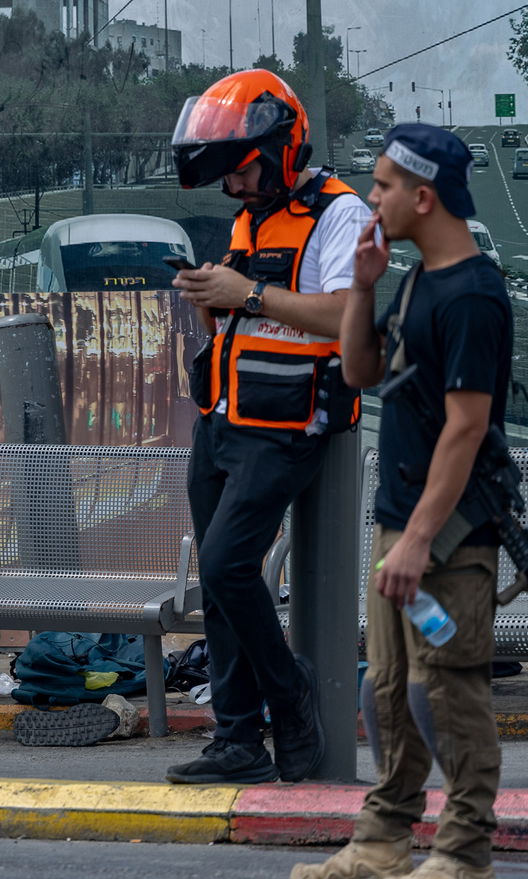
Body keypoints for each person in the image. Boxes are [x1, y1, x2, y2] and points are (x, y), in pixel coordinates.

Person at [289, 124, 513, 879]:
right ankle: (383, 839)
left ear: (424, 197)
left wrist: (418, 538)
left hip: (448, 538)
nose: (372, 197)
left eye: (383, 185)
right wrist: (362, 285)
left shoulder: (475, 294)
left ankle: (466, 857)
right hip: (402, 525)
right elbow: (359, 372)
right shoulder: (416, 281)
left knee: (444, 689)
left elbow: (467, 426)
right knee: (385, 688)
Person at [164, 69, 371, 785]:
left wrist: (246, 291)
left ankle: (291, 694)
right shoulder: (250, 217)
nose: (233, 186)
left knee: (225, 564)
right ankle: (238, 738)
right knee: (222, 587)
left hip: (286, 426)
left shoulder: (338, 214)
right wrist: (208, 298)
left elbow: (349, 317)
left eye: (242, 169)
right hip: (221, 419)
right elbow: (245, 320)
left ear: (282, 149)